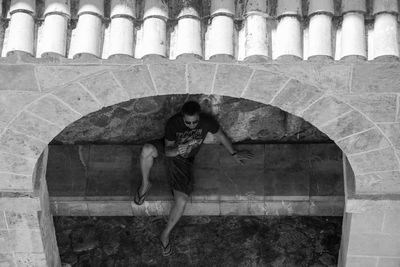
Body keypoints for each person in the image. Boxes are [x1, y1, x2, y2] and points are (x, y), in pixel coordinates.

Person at [134, 100, 253, 256]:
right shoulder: (174, 123)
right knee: (147, 149)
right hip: (171, 151)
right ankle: (145, 184)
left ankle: (165, 234)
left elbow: (220, 135)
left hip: (184, 161)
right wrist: (177, 149)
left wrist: (234, 153)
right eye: (188, 122)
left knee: (182, 200)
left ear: (199, 117)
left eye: (194, 122)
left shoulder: (206, 121)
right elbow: (168, 151)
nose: (191, 125)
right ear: (183, 117)